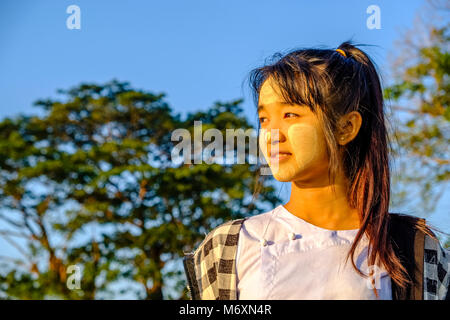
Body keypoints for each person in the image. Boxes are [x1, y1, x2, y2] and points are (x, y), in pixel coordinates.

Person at [182, 41, 449, 300]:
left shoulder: (412, 248)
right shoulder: (229, 246)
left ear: (345, 128)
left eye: (290, 115)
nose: (272, 134)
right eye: (264, 119)